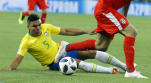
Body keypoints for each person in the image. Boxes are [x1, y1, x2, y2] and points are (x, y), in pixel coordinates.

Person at [55, 0, 151, 79]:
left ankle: (67, 47)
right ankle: (130, 71)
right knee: (132, 32)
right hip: (104, 9)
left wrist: (124, 18)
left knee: (101, 46)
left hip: (108, 12)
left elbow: (127, 1)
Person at [0, 14, 131, 74]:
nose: (39, 28)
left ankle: (125, 66)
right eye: (35, 26)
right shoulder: (26, 41)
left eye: (40, 24)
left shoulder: (46, 27)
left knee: (91, 52)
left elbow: (66, 31)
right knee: (74, 62)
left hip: (63, 51)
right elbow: (18, 58)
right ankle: (110, 71)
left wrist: (85, 31)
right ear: (28, 26)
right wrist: (9, 68)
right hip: (54, 62)